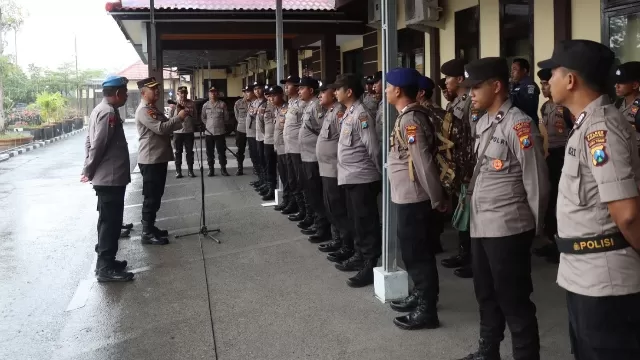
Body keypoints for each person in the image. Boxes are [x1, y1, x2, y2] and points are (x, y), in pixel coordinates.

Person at [539, 39, 640, 360]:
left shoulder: (602, 130)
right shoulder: (585, 125)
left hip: (605, 280)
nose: (548, 81)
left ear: (571, 80)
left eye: (553, 73)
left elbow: (627, 214)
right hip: (584, 274)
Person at [458, 57, 549, 360]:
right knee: (485, 294)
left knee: (514, 302)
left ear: (496, 86)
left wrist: (534, 231)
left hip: (509, 228)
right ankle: (488, 351)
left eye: (475, 87)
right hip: (482, 225)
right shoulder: (483, 121)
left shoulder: (519, 124)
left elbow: (536, 182)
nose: (469, 93)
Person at [383, 67, 446, 331]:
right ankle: (420, 295)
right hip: (406, 196)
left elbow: (423, 162)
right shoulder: (406, 117)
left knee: (419, 255)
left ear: (398, 91)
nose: (384, 91)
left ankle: (426, 310)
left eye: (387, 87)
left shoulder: (411, 121)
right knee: (411, 253)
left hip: (416, 198)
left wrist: (436, 198)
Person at [331, 73, 382, 288]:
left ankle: (370, 264)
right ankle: (360, 256)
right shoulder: (349, 113)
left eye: (338, 89)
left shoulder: (362, 115)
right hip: (350, 177)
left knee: (366, 223)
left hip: (362, 177)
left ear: (349, 92)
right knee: (356, 221)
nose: (335, 93)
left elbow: (373, 148)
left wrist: (380, 176)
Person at [82, 75, 134, 282]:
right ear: (118, 93)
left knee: (108, 220)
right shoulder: (108, 113)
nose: (127, 95)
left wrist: (88, 167)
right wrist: (88, 170)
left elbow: (89, 140)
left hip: (108, 177)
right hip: (110, 178)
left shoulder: (99, 109)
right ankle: (105, 268)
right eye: (125, 92)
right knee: (110, 223)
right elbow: (98, 144)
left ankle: (108, 261)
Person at [135, 77, 187, 246]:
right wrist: (178, 117)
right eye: (153, 89)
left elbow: (167, 125)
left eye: (157, 88)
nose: (157, 91)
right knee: (151, 197)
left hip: (158, 158)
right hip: (151, 159)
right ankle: (146, 232)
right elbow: (161, 128)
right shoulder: (144, 111)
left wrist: (178, 117)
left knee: (156, 195)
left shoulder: (153, 109)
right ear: (143, 93)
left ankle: (151, 227)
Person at [439, 58, 476, 278]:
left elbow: (472, 137)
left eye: (448, 78)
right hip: (458, 165)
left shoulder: (470, 103)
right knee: (461, 209)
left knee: (470, 212)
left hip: (469, 165)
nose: (445, 83)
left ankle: (473, 257)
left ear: (460, 79)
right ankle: (464, 252)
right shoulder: (455, 103)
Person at [532, 68, 573, 264]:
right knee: (551, 199)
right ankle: (552, 240)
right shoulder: (545, 107)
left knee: (561, 201)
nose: (544, 88)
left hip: (565, 156)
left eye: (546, 84)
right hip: (552, 156)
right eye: (542, 84)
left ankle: (561, 244)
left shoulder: (565, 109)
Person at [315, 83, 350, 256]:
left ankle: (346, 244)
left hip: (334, 169)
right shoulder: (330, 112)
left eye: (324, 92)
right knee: (330, 207)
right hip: (325, 168)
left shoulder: (339, 113)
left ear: (334, 94)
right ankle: (337, 240)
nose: (320, 95)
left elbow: (343, 143)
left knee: (338, 208)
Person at [282, 76, 309, 222]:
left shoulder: (303, 104)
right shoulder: (290, 103)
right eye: (285, 85)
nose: (286, 88)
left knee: (300, 181)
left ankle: (305, 211)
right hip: (288, 147)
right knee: (292, 179)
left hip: (298, 149)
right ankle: (298, 207)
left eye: (288, 85)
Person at [201, 87, 230, 177]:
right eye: (211, 92)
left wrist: (219, 124)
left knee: (221, 151)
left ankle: (223, 169)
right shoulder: (205, 105)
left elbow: (226, 118)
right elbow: (203, 117)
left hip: (220, 132)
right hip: (209, 132)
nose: (213, 94)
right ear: (208, 94)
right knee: (209, 152)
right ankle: (211, 169)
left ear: (217, 93)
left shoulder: (222, 104)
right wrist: (209, 125)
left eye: (215, 92)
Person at [613, 61, 640, 154]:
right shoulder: (618, 103)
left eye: (621, 83)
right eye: (616, 82)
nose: (616, 86)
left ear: (635, 85)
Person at [171, 86, 198, 178]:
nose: (183, 95)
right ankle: (178, 171)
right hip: (178, 132)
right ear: (178, 94)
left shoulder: (192, 103)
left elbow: (195, 116)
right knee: (178, 152)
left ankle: (190, 170)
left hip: (189, 131)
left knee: (189, 152)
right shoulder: (174, 104)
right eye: (181, 93)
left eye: (185, 93)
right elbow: (171, 119)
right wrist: (177, 111)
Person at [270, 86, 290, 211]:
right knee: (283, 176)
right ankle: (287, 200)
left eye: (274, 95)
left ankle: (291, 201)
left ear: (281, 95)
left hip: (286, 148)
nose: (271, 98)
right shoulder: (277, 110)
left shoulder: (287, 109)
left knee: (288, 178)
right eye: (270, 96)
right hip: (279, 147)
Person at [510, 58, 541, 127]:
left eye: (515, 69)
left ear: (524, 70)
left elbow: (528, 107)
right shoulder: (514, 85)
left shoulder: (529, 85)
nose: (512, 72)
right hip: (517, 124)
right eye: (511, 69)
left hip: (527, 125)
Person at [261, 86, 279, 201]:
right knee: (270, 166)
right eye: (267, 95)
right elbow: (261, 124)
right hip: (268, 140)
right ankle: (271, 188)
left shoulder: (280, 107)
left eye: (271, 95)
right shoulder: (264, 107)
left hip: (279, 142)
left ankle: (281, 191)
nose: (269, 97)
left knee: (282, 169)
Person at [254, 84, 271, 196]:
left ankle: (270, 185)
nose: (268, 97)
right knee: (262, 160)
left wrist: (266, 135)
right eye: (267, 95)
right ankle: (265, 182)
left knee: (269, 163)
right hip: (261, 137)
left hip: (269, 139)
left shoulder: (273, 106)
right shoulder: (262, 105)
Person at [234, 85, 255, 175]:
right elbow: (237, 116)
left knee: (253, 149)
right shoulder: (238, 103)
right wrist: (243, 123)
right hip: (241, 129)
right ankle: (240, 167)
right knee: (240, 149)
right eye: (245, 92)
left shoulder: (255, 103)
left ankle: (255, 167)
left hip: (253, 130)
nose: (246, 94)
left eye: (248, 92)